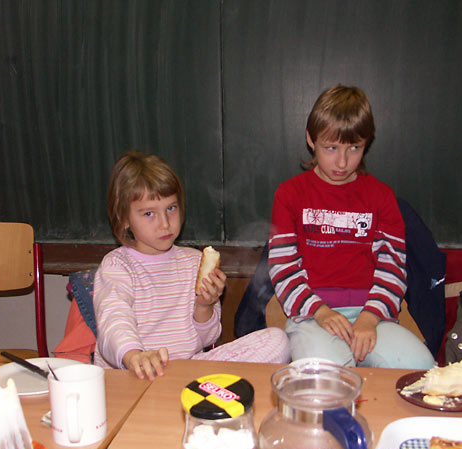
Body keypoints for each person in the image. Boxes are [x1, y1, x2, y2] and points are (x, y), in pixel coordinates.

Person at [268, 85, 435, 369]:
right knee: (327, 373)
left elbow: (393, 267)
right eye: (331, 148)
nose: (342, 162)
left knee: (420, 367)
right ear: (311, 139)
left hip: (373, 317)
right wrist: (320, 311)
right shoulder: (289, 194)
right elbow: (282, 268)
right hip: (312, 317)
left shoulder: (381, 196)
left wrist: (370, 317)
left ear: (367, 143)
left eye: (354, 148)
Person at [94, 150, 290, 379]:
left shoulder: (194, 262)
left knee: (278, 340)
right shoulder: (117, 265)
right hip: (132, 373)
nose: (165, 224)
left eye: (171, 208)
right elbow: (114, 318)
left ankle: (188, 388)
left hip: (186, 371)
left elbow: (208, 339)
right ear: (124, 219)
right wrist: (133, 355)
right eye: (148, 213)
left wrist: (205, 305)